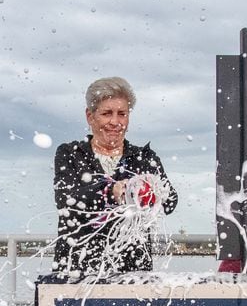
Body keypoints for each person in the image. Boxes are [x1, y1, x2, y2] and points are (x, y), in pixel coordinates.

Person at [53, 76, 178, 277]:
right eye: (106, 113)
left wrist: (155, 189)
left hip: (133, 272)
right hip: (76, 269)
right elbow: (66, 200)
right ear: (90, 116)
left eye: (122, 114)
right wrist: (111, 192)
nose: (115, 122)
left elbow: (170, 202)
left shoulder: (144, 157)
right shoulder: (70, 154)